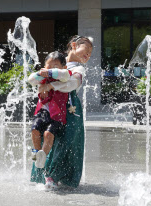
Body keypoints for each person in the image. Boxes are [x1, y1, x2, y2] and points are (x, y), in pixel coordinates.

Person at [30, 35, 93, 189]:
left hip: (71, 109)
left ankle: (54, 175)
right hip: (50, 107)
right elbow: (37, 79)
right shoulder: (56, 60)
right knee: (46, 138)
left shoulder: (78, 68)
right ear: (74, 45)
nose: (88, 54)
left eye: (91, 52)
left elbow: (72, 84)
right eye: (87, 48)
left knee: (67, 141)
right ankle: (40, 172)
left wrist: (50, 86)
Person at [27, 51, 72, 169]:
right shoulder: (43, 78)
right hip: (42, 112)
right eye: (48, 66)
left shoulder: (64, 77)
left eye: (55, 67)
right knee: (35, 130)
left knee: (48, 134)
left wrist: (49, 72)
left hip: (57, 115)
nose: (51, 69)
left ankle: (43, 156)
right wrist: (41, 73)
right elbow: (31, 79)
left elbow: (65, 75)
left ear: (63, 67)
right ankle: (36, 152)